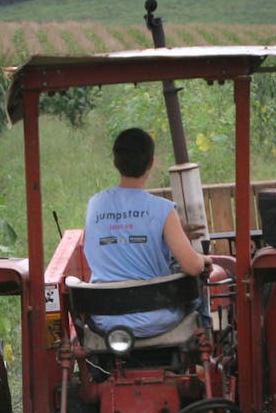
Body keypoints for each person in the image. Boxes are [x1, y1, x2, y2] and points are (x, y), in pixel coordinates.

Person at [82, 127, 207, 337]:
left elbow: (121, 234)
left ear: (115, 162)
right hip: (156, 319)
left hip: (105, 319)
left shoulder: (95, 204)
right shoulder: (163, 209)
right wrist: (204, 260)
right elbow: (192, 267)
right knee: (198, 296)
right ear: (150, 163)